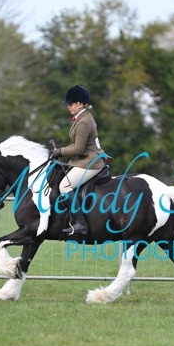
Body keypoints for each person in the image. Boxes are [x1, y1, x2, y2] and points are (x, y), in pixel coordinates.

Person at [51, 85, 106, 235]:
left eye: (71, 104)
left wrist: (60, 151)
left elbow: (78, 149)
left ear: (80, 104)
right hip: (86, 158)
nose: (68, 107)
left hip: (91, 161)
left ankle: (80, 223)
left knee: (64, 186)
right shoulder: (82, 117)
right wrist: (59, 150)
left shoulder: (83, 122)